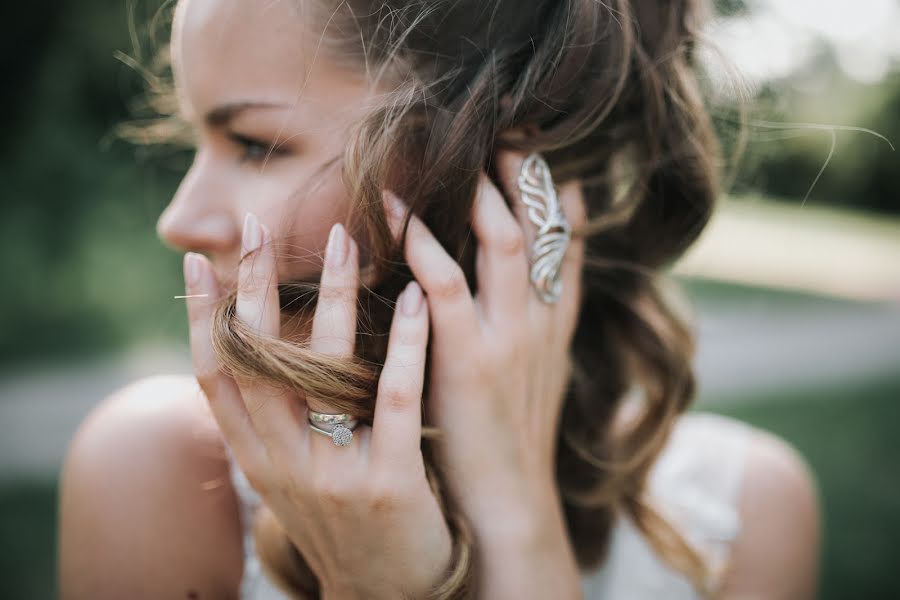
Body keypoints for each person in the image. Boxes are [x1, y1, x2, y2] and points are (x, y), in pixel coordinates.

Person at [57, 0, 821, 598]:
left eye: (255, 143)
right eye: (199, 143)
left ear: (498, 169)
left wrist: (519, 526)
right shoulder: (161, 475)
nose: (178, 222)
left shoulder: (744, 516)